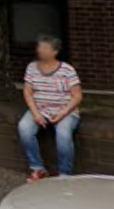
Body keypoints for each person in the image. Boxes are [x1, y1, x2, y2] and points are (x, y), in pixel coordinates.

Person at [18, 35, 83, 182]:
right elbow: (27, 92)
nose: (40, 50)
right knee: (24, 128)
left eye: (44, 48)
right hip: (40, 108)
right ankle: (37, 168)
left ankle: (65, 174)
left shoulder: (67, 70)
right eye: (39, 47)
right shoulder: (32, 67)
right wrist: (35, 113)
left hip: (65, 110)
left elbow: (77, 96)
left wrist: (63, 113)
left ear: (55, 52)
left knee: (63, 135)